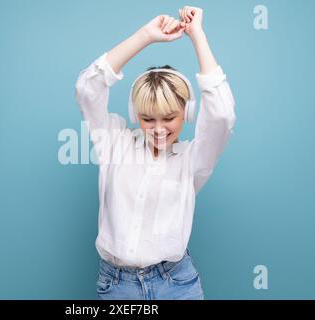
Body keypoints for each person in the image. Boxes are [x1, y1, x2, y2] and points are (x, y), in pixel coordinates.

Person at [75, 5, 236, 300]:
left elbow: (223, 116)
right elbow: (88, 89)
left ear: (186, 114)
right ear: (135, 114)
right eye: (148, 118)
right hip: (116, 287)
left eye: (169, 118)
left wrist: (197, 35)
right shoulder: (114, 144)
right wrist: (145, 36)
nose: (158, 129)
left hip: (177, 284)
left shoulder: (193, 159)